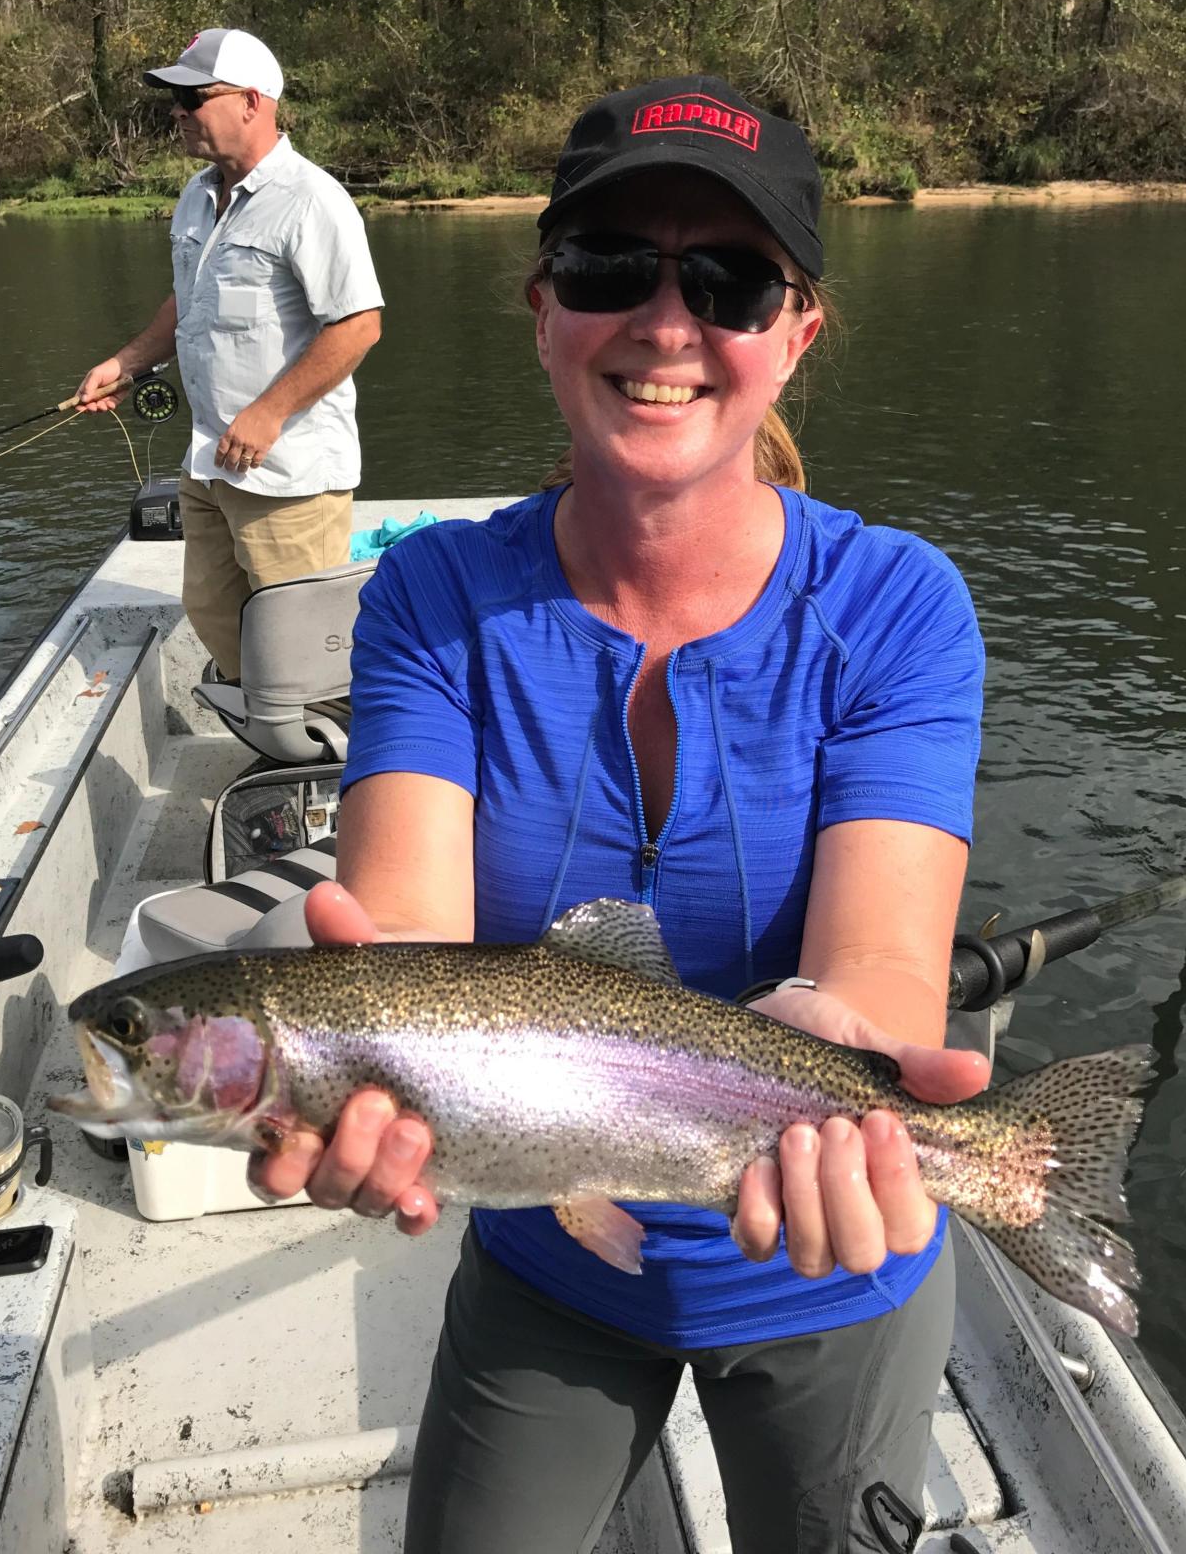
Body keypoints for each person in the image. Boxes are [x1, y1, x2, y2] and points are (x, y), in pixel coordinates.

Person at [253, 76, 991, 1554]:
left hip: (831, 1261)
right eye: (611, 269)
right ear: (543, 309)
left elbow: (884, 973)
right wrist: (348, 1060)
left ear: (795, 334)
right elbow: (407, 926)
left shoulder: (899, 607)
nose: (666, 323)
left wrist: (847, 1041)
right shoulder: (436, 598)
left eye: (727, 279)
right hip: (550, 1263)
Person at [75, 28, 383, 680]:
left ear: (250, 100)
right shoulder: (195, 194)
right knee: (214, 610)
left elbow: (357, 326)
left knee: (305, 641)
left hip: (287, 472)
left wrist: (270, 412)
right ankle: (276, 740)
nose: (178, 113)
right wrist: (127, 363)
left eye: (194, 97)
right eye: (175, 100)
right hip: (209, 457)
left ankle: (329, 757)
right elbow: (190, 300)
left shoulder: (311, 200)